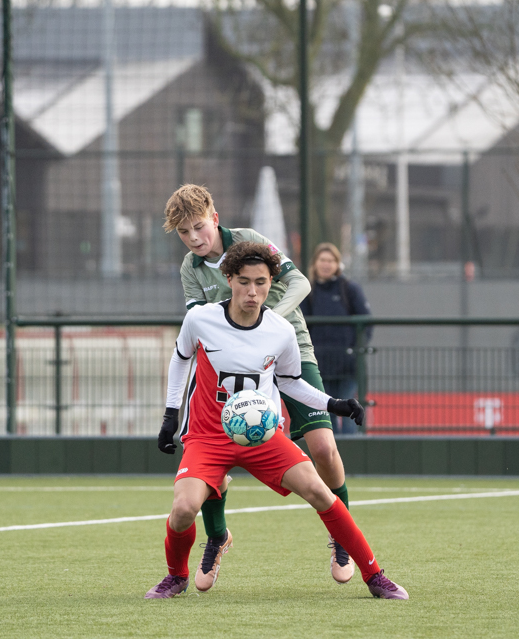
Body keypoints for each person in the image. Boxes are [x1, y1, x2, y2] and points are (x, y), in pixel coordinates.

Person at [147, 242, 407, 600]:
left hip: (262, 437)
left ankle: (375, 575)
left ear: (272, 283)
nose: (252, 292)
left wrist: (335, 403)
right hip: (207, 436)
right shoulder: (200, 319)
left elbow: (289, 382)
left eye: (261, 282)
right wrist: (170, 416)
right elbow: (180, 360)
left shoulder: (280, 330)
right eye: (243, 282)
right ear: (229, 279)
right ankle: (176, 576)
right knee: (183, 510)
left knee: (320, 491)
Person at [161, 184, 357, 587]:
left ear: (214, 217)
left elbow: (300, 283)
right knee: (215, 454)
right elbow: (199, 328)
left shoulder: (250, 241)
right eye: (184, 232)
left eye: (199, 226)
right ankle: (217, 538)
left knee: (323, 446)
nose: (194, 238)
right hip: (229, 369)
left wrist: (270, 323)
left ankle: (341, 536)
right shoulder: (190, 269)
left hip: (289, 353)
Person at [300, 243, 372, 435]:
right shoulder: (309, 291)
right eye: (322, 260)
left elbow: (366, 323)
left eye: (331, 261)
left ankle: (351, 455)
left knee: (350, 412)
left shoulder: (350, 289)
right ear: (315, 264)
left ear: (337, 264)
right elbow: (302, 326)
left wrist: (356, 349)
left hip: (348, 365)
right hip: (320, 365)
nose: (326, 264)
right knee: (327, 414)